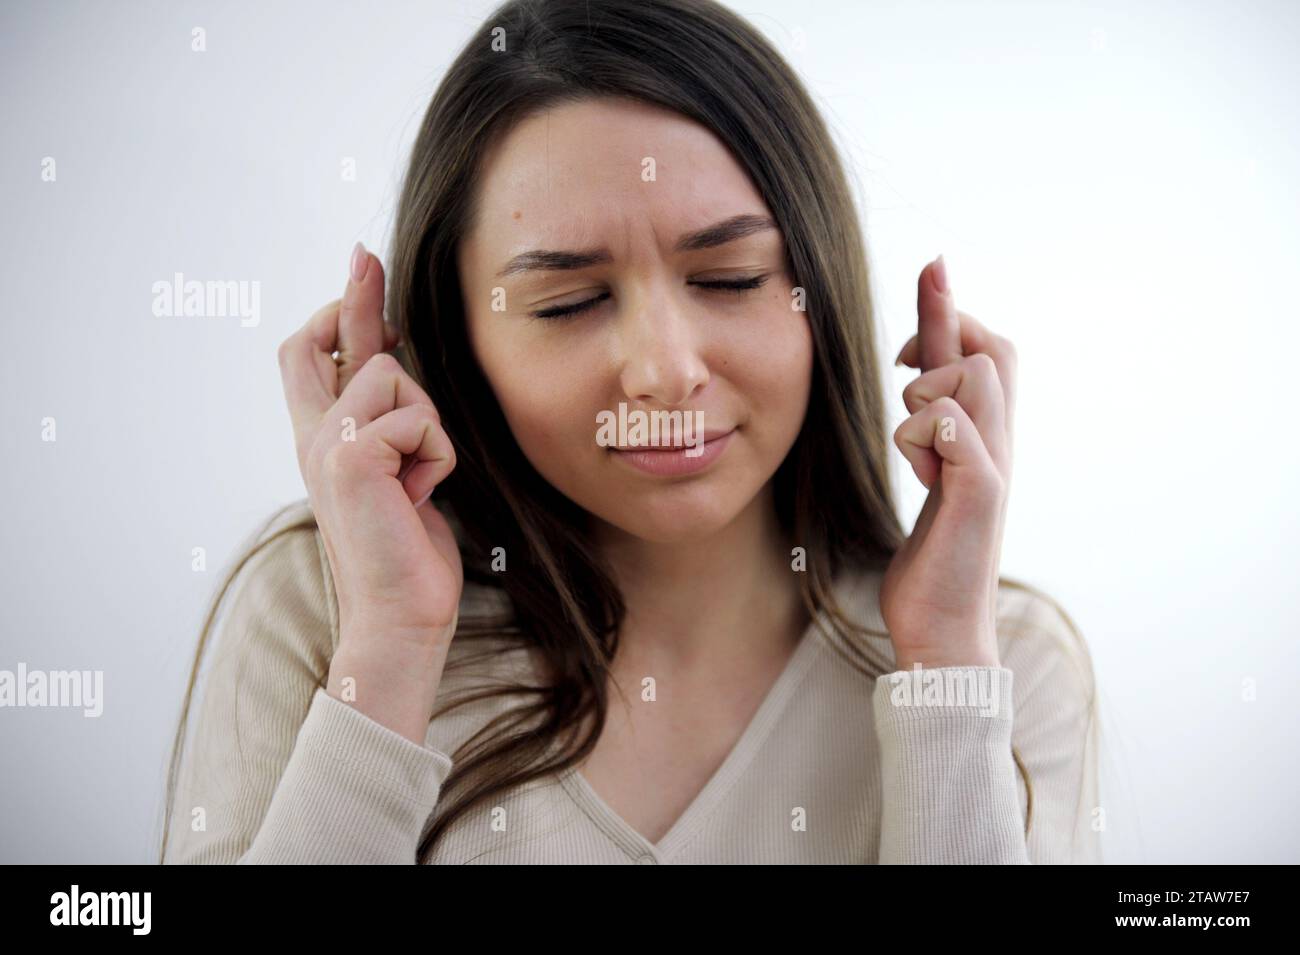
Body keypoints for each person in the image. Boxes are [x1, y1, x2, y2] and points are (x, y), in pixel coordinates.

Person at [160, 0, 1100, 865]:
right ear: (457, 337)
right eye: (569, 302)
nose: (663, 368)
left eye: (730, 280)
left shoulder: (1005, 659)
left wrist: (943, 669)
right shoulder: (319, 618)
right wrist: (393, 652)